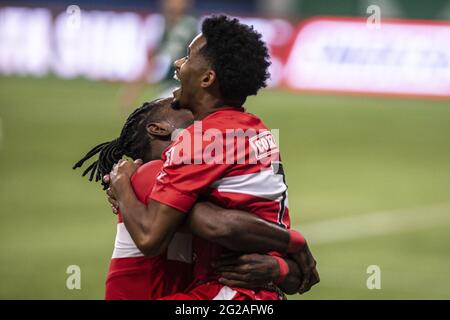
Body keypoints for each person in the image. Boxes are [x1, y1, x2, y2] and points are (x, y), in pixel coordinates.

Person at [106, 15, 319, 300]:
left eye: (188, 57)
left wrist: (123, 187)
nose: (179, 64)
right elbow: (295, 273)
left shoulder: (203, 138)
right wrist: (288, 254)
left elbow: (150, 237)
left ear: (207, 78)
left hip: (230, 295)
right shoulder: (256, 130)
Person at [74, 98, 311, 299]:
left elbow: (299, 277)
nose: (194, 108)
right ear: (158, 129)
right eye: (179, 106)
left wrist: (278, 268)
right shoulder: (153, 174)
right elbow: (221, 226)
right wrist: (294, 242)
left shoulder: (199, 187)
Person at [119, 0, 198, 110]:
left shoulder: (192, 27)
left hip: (183, 88)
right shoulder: (159, 26)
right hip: (167, 87)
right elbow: (150, 61)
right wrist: (132, 90)